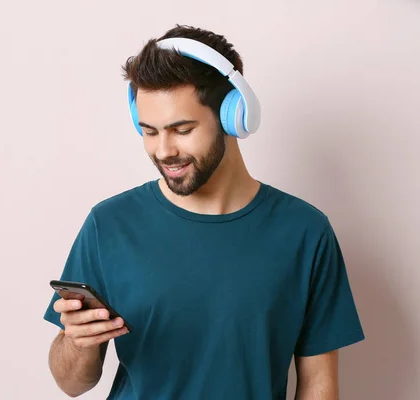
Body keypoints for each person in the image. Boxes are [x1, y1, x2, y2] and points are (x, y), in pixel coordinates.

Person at [42, 24, 365, 399]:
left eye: (182, 129)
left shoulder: (305, 232)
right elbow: (71, 384)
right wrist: (77, 342)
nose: (163, 150)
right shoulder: (109, 225)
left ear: (233, 116)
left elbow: (318, 384)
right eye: (149, 131)